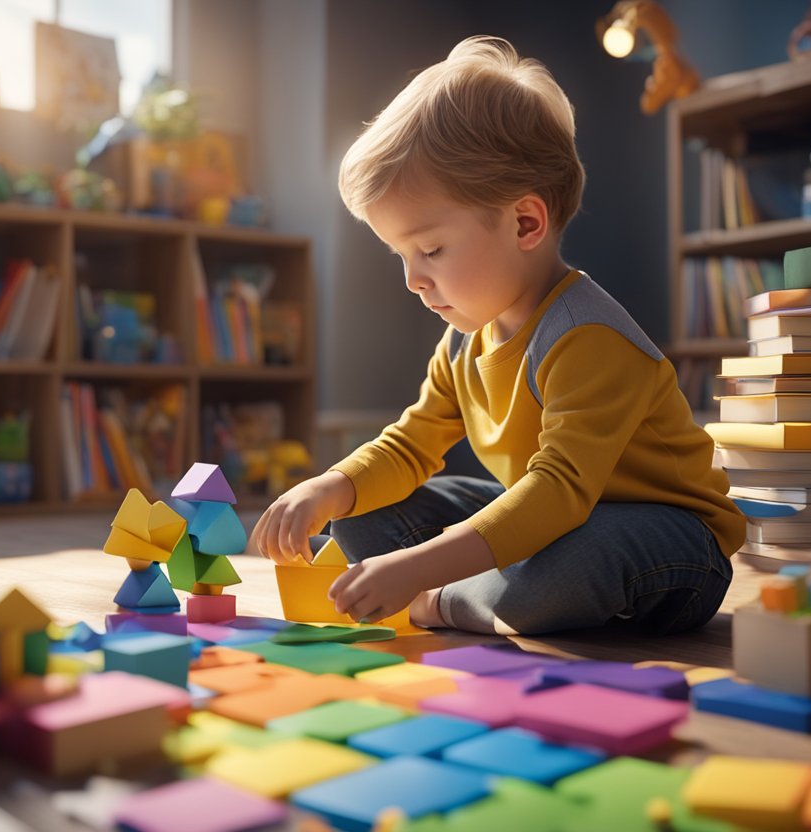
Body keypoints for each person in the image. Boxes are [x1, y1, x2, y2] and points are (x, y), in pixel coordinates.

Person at [250, 35, 745, 636]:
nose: (412, 278)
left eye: (430, 249)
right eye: (400, 254)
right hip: (554, 517)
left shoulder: (589, 337)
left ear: (526, 222)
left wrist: (416, 573)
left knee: (580, 554)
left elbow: (557, 493)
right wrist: (330, 489)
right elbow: (410, 447)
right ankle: (482, 591)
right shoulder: (464, 340)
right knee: (363, 517)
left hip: (670, 541)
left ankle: (445, 602)